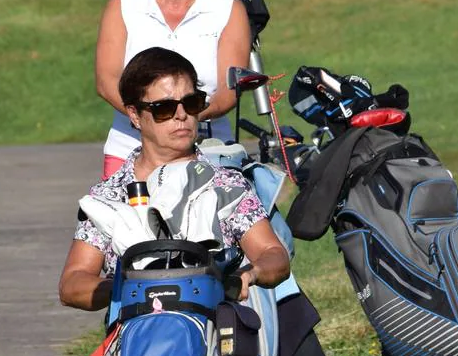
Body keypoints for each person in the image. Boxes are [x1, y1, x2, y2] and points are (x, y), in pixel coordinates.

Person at [60, 47, 288, 311]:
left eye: (191, 103)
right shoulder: (110, 196)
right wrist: (133, 287)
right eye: (164, 108)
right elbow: (71, 284)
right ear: (134, 115)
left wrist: (250, 274)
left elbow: (274, 255)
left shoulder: (226, 184)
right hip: (138, 341)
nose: (181, 115)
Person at [94, 0, 253, 179]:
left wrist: (181, 122)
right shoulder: (122, 6)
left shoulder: (229, 9)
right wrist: (152, 123)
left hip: (208, 152)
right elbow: (107, 83)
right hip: (130, 151)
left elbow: (227, 95)